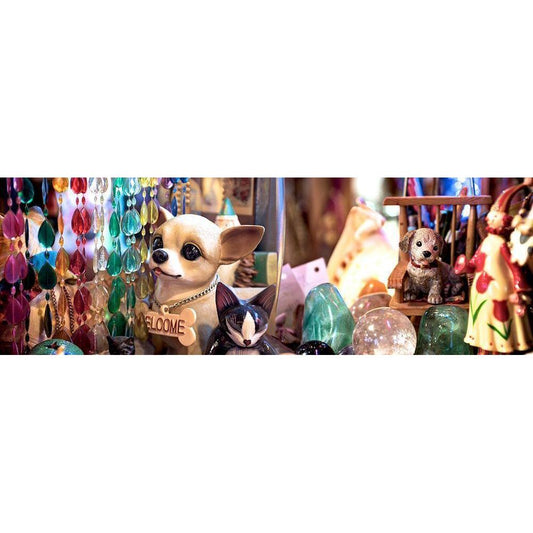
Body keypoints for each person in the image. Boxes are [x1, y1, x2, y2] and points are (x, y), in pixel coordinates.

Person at [455, 183, 532, 354]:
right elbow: (476, 261)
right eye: (491, 214)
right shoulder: (486, 242)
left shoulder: (503, 245)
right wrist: (466, 266)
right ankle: (484, 347)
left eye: (495, 215)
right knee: (484, 319)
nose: (490, 217)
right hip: (481, 292)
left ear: (504, 221)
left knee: (500, 323)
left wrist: (519, 288)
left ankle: (500, 348)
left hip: (499, 290)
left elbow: (514, 267)